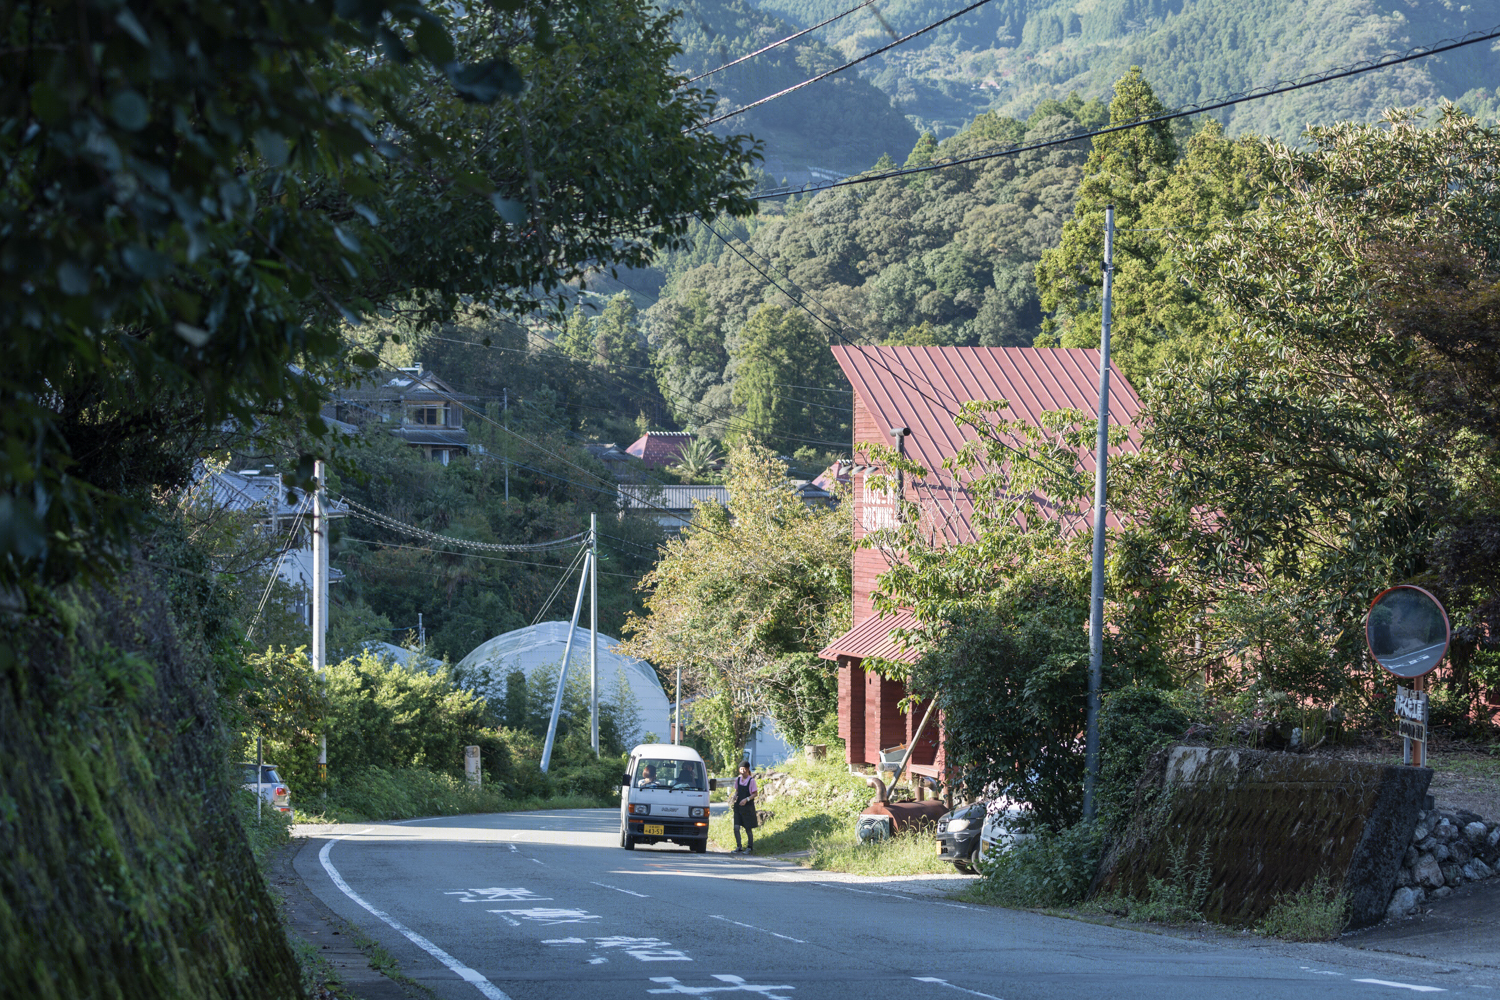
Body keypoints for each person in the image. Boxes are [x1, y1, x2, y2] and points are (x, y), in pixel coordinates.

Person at [730, 761, 758, 854]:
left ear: (748, 769)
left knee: (748, 828)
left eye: (745, 769)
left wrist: (746, 799)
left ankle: (750, 847)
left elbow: (755, 794)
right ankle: (739, 846)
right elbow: (737, 791)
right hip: (738, 807)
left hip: (747, 807)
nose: (743, 771)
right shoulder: (738, 780)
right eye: (741, 769)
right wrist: (734, 796)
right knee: (736, 827)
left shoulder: (751, 781)